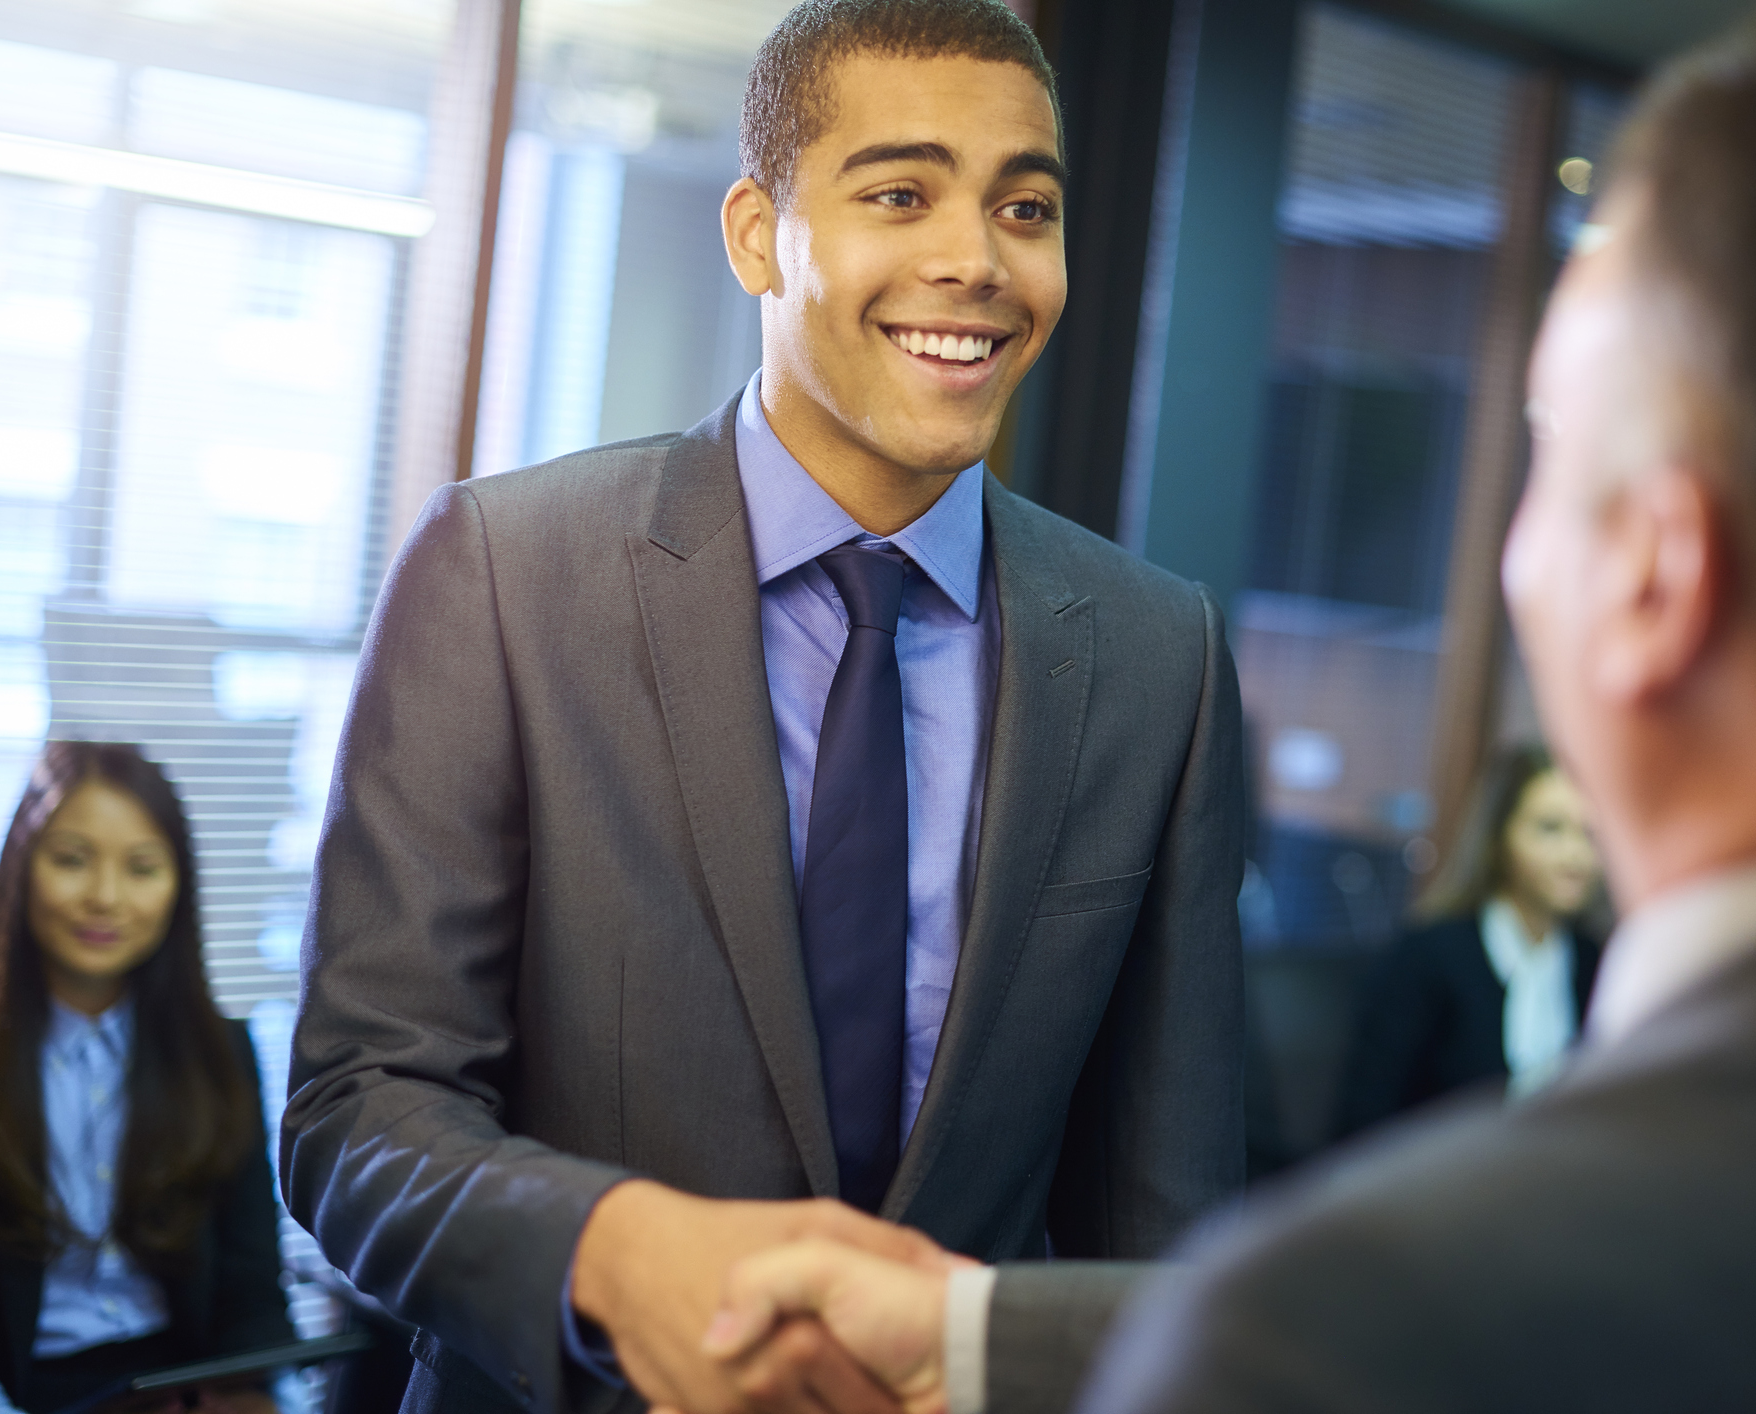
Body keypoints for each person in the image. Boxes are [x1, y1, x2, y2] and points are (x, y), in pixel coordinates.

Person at [679, 4, 1756, 1411]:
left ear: (1658, 576)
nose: (971, 257)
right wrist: (976, 1339)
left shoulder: (1352, 1325)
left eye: (1552, 448)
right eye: (901, 193)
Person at [281, 2, 1246, 1413]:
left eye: (1023, 207)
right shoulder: (507, 571)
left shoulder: (1159, 653)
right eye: (901, 194)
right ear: (756, 234)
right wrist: (614, 1252)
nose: (974, 260)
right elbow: (356, 1110)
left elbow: (1161, 1220)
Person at [0, 743, 293, 1414]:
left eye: (142, 868)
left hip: (176, 1388)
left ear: (178, 886)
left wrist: (262, 1390)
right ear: (20, 869)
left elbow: (251, 1288)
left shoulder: (220, 1048)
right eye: (71, 860)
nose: (105, 896)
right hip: (12, 1391)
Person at [1334, 745, 1604, 1138]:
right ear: (1499, 837)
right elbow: (1363, 1126)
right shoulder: (1428, 958)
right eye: (1550, 829)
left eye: (1590, 834)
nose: (1576, 855)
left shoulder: (1590, 960)